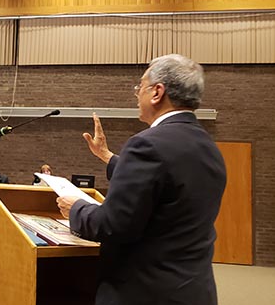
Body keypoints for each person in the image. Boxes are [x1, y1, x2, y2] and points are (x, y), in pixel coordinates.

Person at [56, 54, 227, 305]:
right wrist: (107, 157)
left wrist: (76, 209)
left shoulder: (147, 144)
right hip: (193, 291)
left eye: (140, 87)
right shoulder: (208, 147)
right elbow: (166, 184)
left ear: (157, 92)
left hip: (145, 291)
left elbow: (112, 225)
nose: (137, 94)